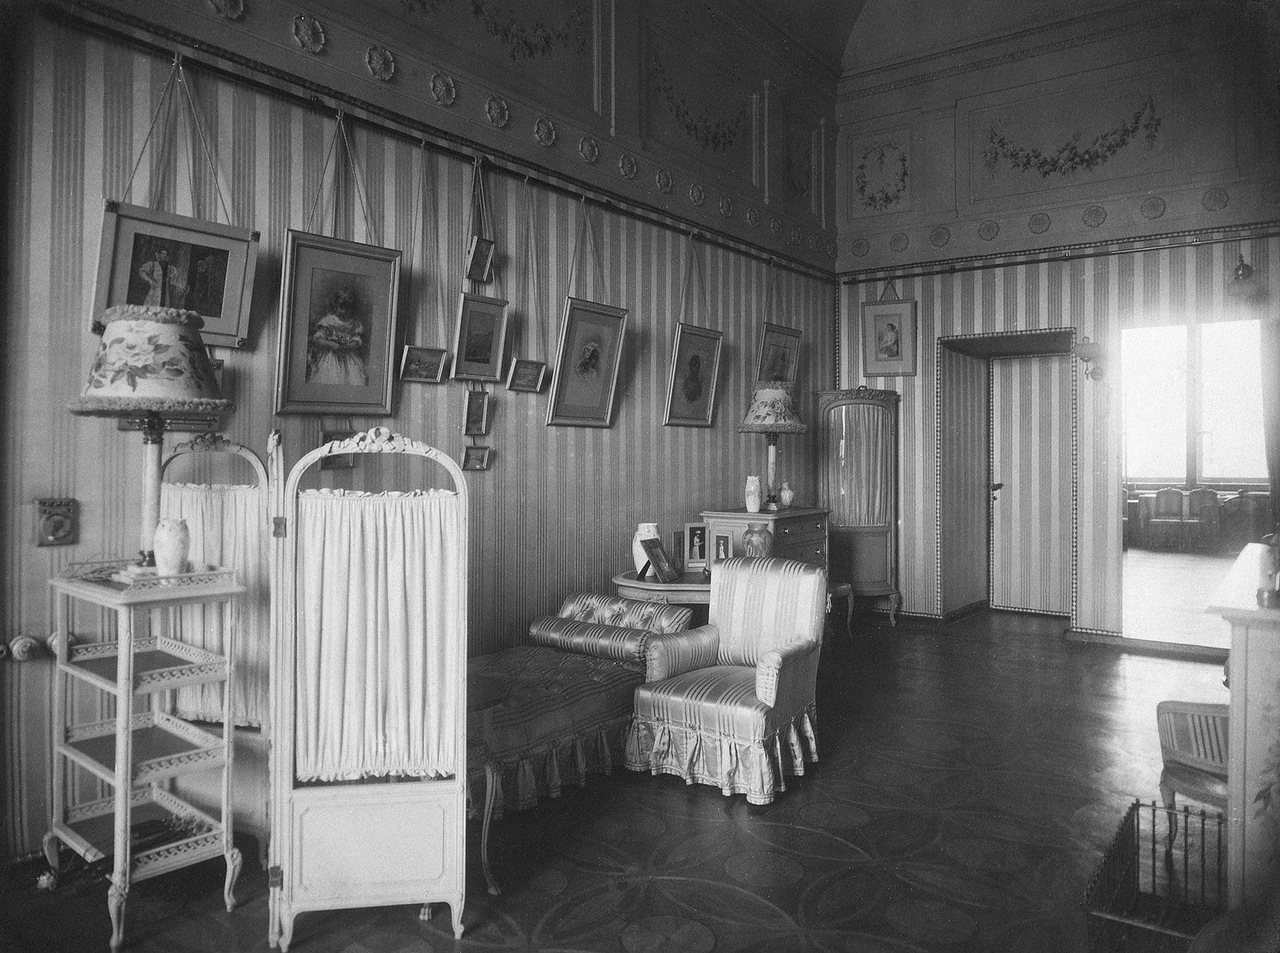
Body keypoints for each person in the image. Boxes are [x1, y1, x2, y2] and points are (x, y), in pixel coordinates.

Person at [306, 287, 368, 387]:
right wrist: (331, 344)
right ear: (335, 306)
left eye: (347, 308)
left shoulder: (353, 324)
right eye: (341, 307)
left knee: (352, 379)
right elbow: (318, 339)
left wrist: (349, 346)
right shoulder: (329, 321)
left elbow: (357, 340)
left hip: (348, 359)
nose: (344, 311)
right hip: (330, 358)